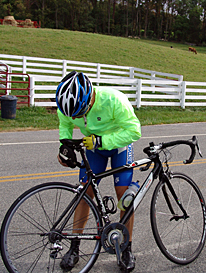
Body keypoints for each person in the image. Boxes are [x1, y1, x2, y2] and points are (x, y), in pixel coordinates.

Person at [55, 71, 141, 272]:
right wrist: (65, 145)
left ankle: (126, 248)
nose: (76, 117)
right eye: (73, 114)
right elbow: (65, 124)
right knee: (84, 194)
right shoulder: (67, 106)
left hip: (119, 145)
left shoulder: (113, 100)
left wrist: (103, 141)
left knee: (123, 195)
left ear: (90, 98)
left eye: (80, 112)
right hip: (94, 149)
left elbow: (134, 130)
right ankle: (74, 247)